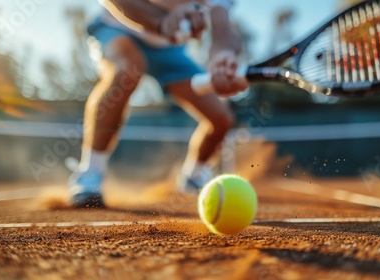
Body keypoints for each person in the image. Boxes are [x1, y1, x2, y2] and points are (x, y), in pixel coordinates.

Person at [69, 0, 248, 208]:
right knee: (129, 69)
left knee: (221, 119)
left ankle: (193, 178)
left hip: (169, 50)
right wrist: (160, 22)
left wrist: (222, 55)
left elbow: (223, 28)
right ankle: (89, 174)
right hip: (116, 28)